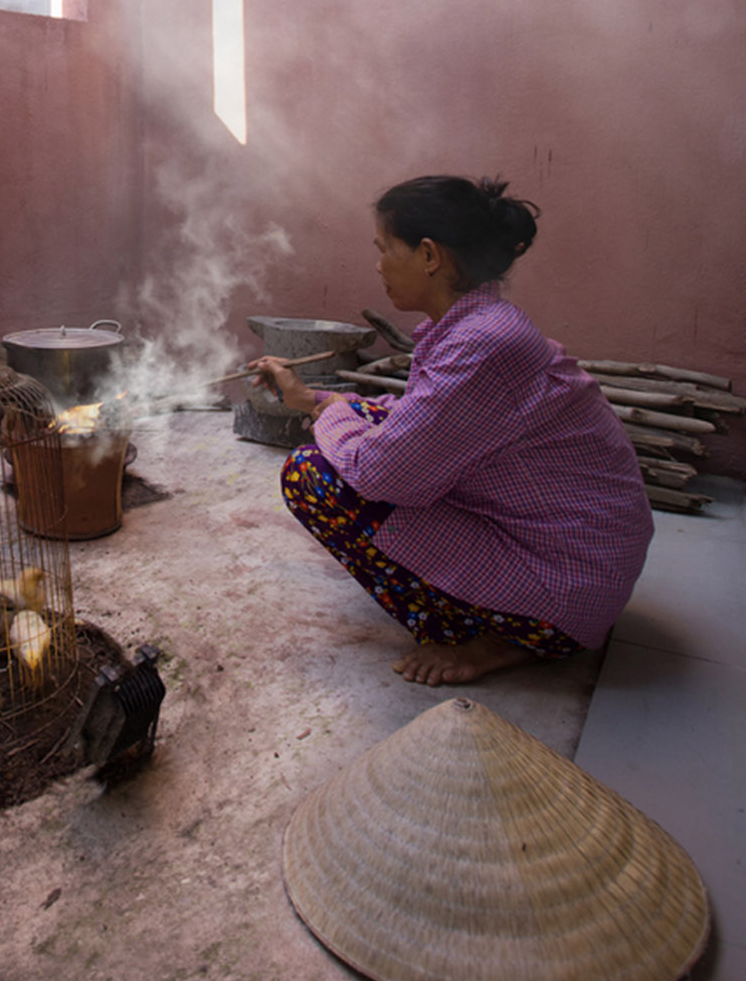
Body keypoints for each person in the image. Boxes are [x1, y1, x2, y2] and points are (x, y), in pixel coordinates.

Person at [252, 175, 654, 687]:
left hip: (569, 586)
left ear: (428, 255)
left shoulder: (482, 345)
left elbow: (381, 476)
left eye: (384, 249)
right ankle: (499, 617)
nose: (378, 265)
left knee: (313, 476)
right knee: (368, 427)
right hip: (584, 557)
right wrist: (314, 399)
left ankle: (497, 641)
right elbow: (413, 420)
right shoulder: (480, 324)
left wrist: (322, 413)